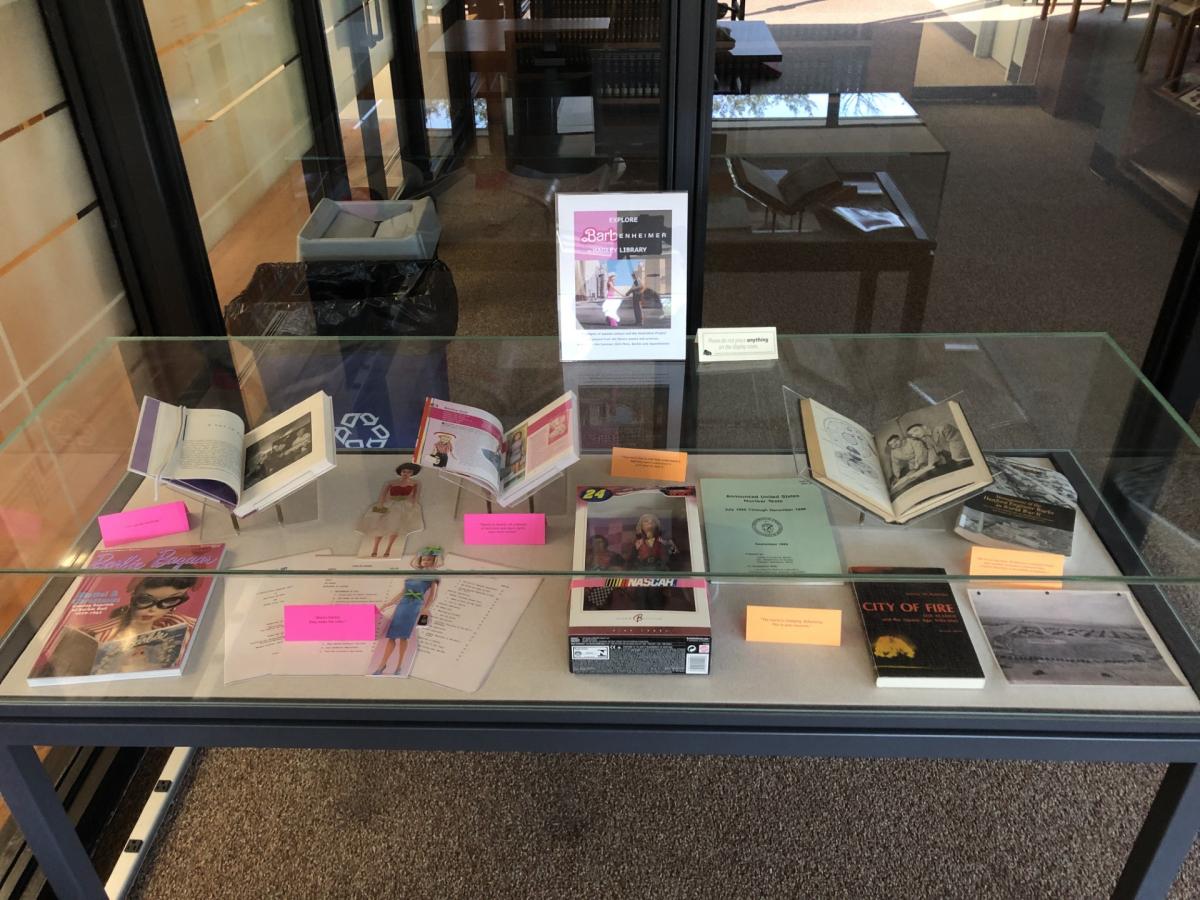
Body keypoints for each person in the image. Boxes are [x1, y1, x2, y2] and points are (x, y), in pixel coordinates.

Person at [84, 575, 199, 645]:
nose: (153, 609)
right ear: (133, 596)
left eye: (169, 601)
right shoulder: (96, 635)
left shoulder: (187, 626)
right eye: (145, 600)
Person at [357, 463, 423, 558]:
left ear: (412, 473)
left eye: (409, 472)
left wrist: (413, 507)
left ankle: (388, 549)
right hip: (389, 504)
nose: (406, 474)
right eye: (404, 471)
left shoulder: (416, 483)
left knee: (395, 527)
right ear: (400, 472)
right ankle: (375, 549)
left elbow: (415, 497)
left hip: (403, 506)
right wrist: (380, 506)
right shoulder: (391, 482)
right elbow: (382, 495)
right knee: (380, 526)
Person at [374, 578, 438, 676]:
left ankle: (399, 666)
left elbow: (432, 597)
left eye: (428, 560)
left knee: (403, 636)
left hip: (414, 606)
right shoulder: (411, 576)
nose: (425, 562)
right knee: (391, 636)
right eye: (424, 560)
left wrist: (426, 608)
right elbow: (402, 592)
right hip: (402, 605)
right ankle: (381, 665)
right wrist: (389, 603)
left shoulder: (432, 579)